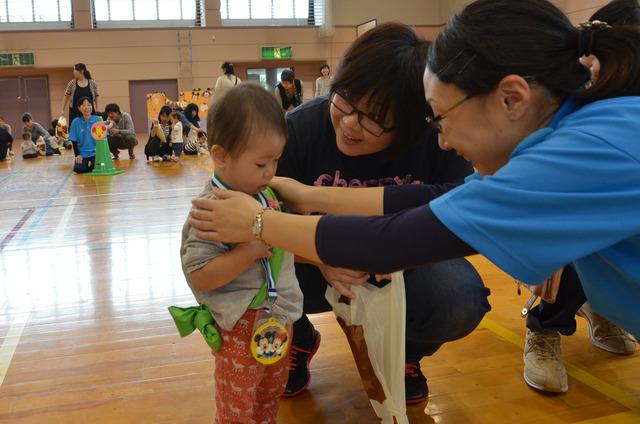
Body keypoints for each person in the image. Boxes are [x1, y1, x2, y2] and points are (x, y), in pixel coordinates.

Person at [187, 0, 640, 396]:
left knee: (453, 294)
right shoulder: (587, 131)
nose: (441, 141)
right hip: (315, 268)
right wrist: (306, 196)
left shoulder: (574, 158)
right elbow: (432, 198)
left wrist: (259, 224)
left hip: (380, 261)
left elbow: (402, 235)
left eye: (440, 118)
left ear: (511, 98)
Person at [206, 23, 490, 405]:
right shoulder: (297, 131)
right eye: (345, 99)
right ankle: (295, 336)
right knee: (244, 272)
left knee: (459, 297)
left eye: (373, 117)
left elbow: (450, 212)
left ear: (410, 123)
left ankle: (407, 353)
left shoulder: (436, 141)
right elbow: (241, 220)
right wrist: (319, 256)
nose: (350, 122)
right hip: (308, 264)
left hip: (403, 262)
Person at [519, 0, 638, 394]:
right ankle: (545, 325)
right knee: (585, 237)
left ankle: (605, 308)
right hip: (557, 229)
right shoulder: (568, 104)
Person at [178, 83, 302, 424]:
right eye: (262, 162)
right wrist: (248, 251)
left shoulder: (265, 194)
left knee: (269, 397)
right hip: (240, 326)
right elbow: (200, 273)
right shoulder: (211, 210)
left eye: (276, 160)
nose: (271, 171)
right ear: (221, 156)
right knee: (237, 408)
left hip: (279, 319)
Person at [69, 97, 101, 173]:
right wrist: (77, 155)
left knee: (101, 166)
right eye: (83, 105)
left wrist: (103, 153)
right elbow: (74, 141)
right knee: (78, 169)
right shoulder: (75, 122)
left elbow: (103, 138)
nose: (87, 107)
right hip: (82, 154)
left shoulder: (98, 120)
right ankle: (85, 165)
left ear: (92, 107)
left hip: (96, 153)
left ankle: (92, 165)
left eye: (89, 105)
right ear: (79, 108)